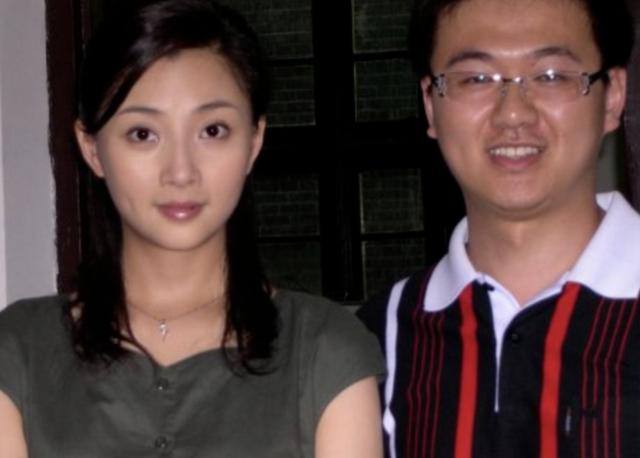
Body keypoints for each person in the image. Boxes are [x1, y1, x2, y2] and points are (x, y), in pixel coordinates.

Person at [0, 1, 384, 456]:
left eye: (213, 130)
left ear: (254, 141)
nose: (181, 172)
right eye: (143, 134)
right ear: (92, 149)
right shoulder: (20, 349)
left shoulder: (325, 348)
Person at [357, 0, 637, 456]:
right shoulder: (374, 342)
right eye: (476, 79)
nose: (513, 114)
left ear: (613, 97)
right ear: (431, 105)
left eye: (551, 76)